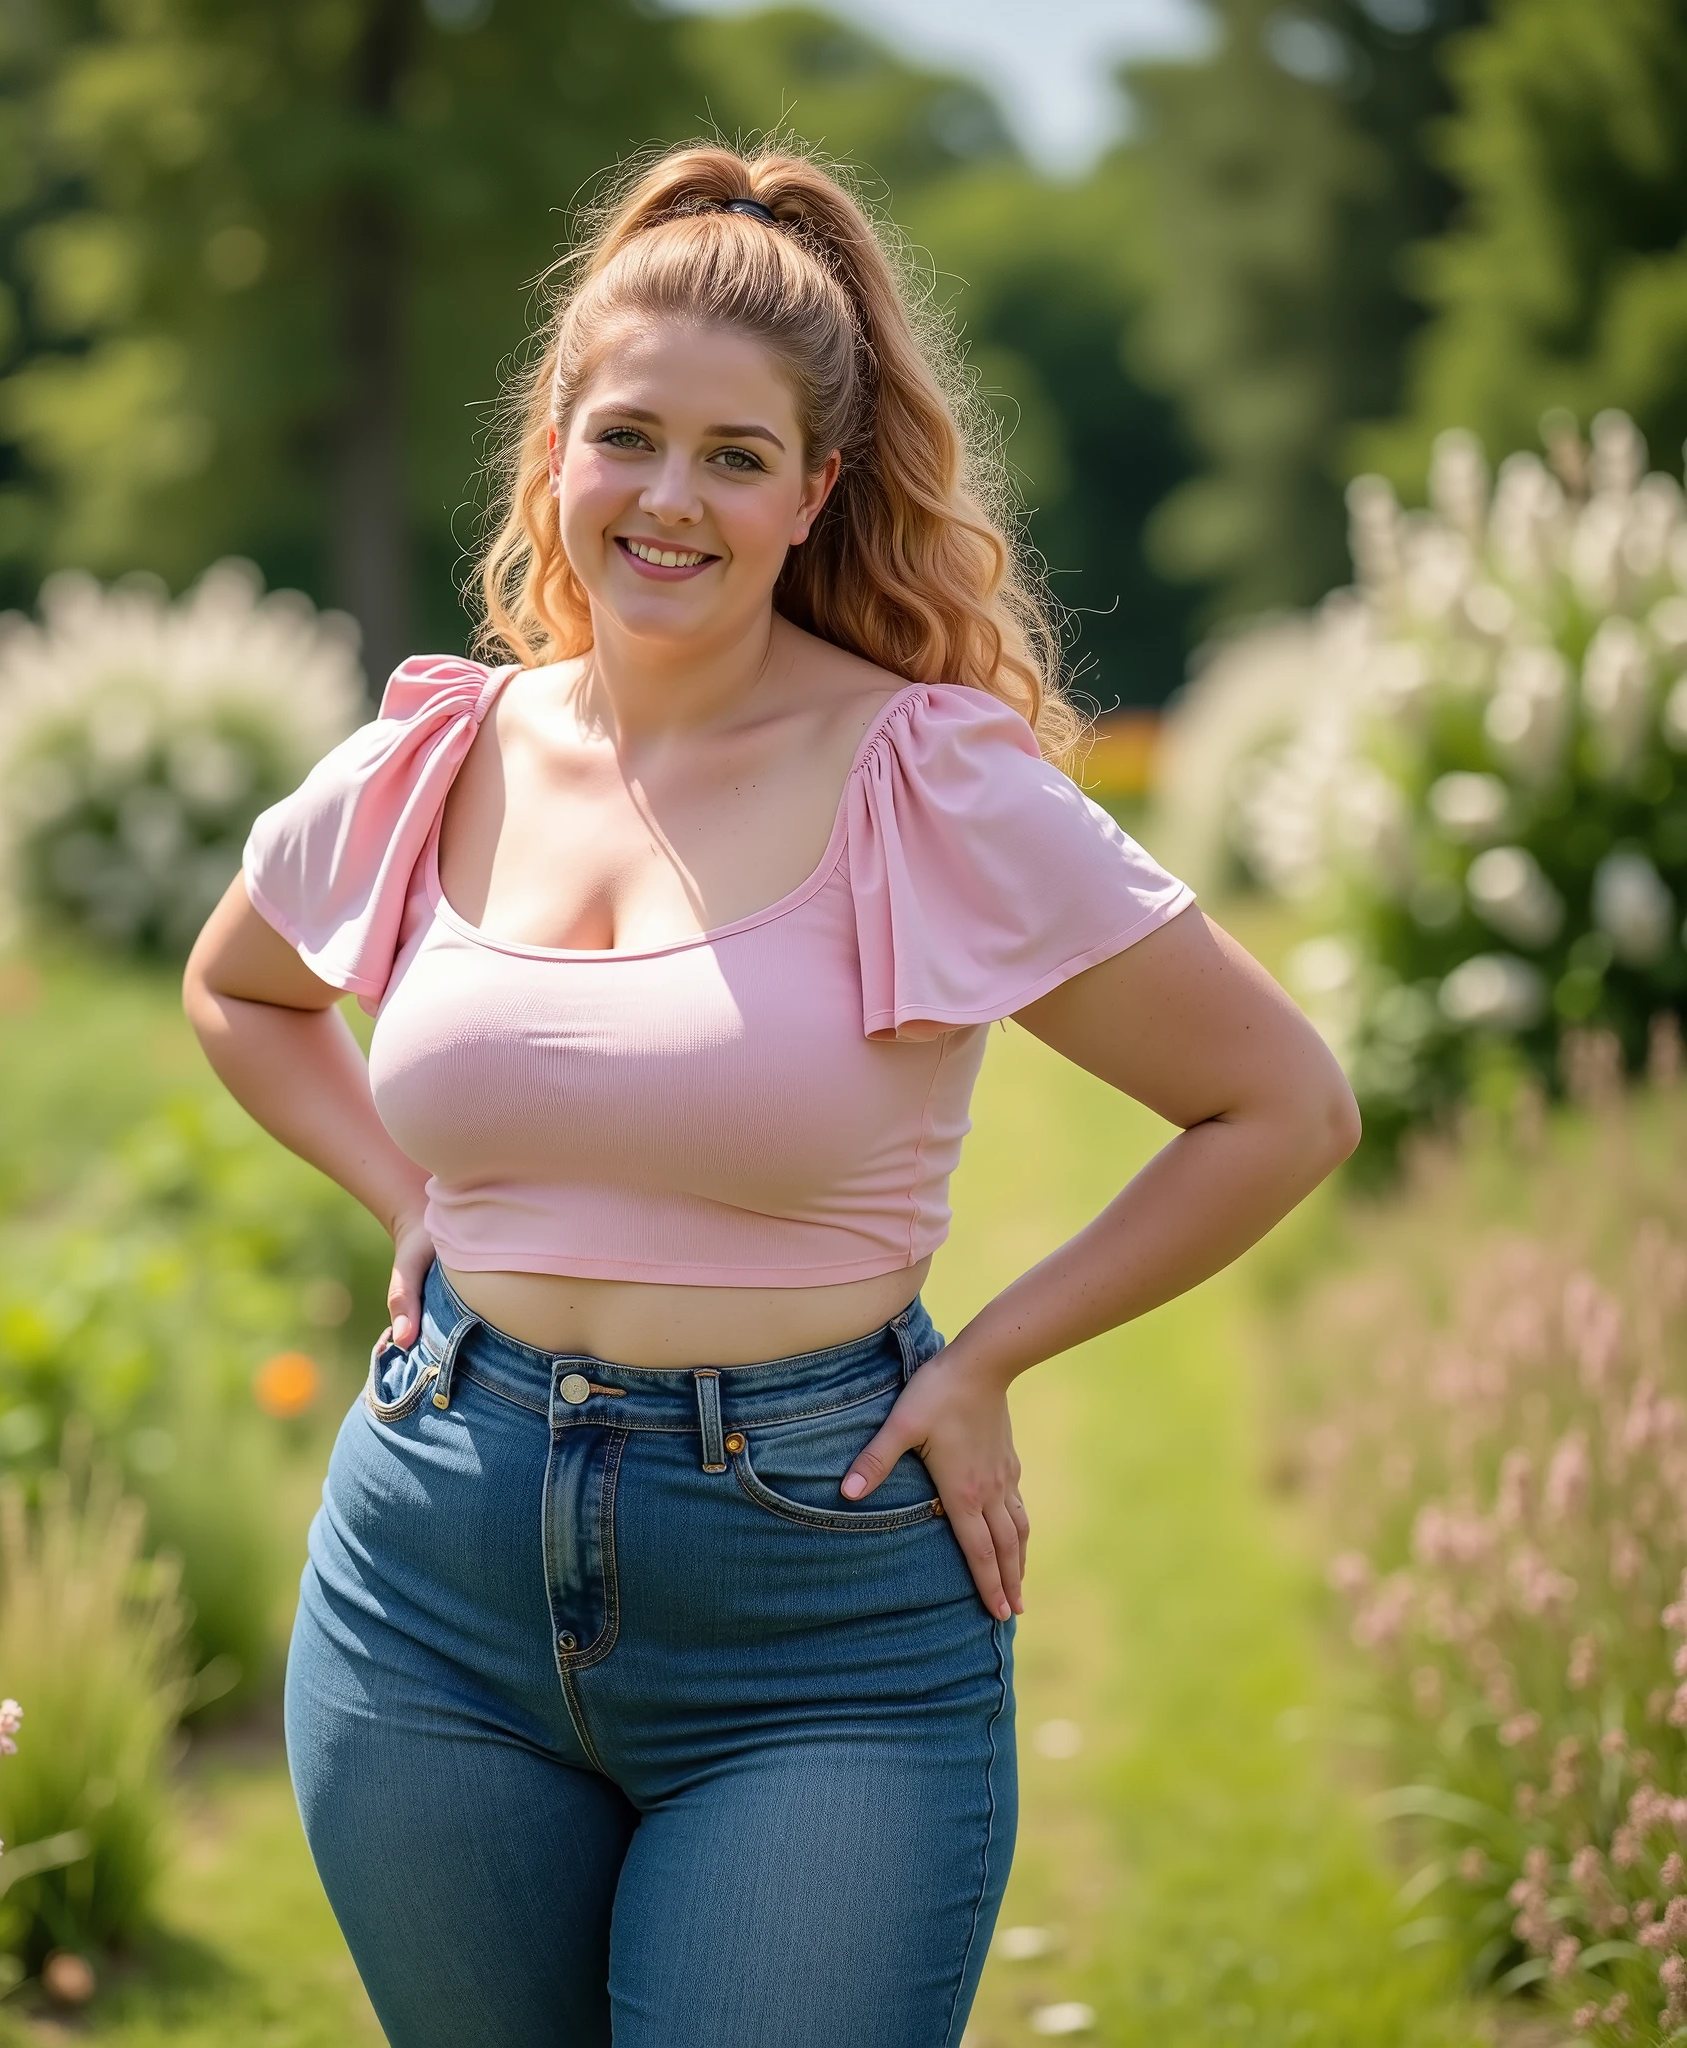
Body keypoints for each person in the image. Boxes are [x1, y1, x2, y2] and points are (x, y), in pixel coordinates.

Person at [183, 142, 1359, 2048]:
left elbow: (1282, 1107)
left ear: (818, 492)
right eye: (628, 436)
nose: (670, 500)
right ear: (556, 447)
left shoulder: (925, 782)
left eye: (737, 457)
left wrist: (978, 1363)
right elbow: (238, 987)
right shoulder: (434, 754)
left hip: (814, 1598)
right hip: (430, 1574)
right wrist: (407, 1193)